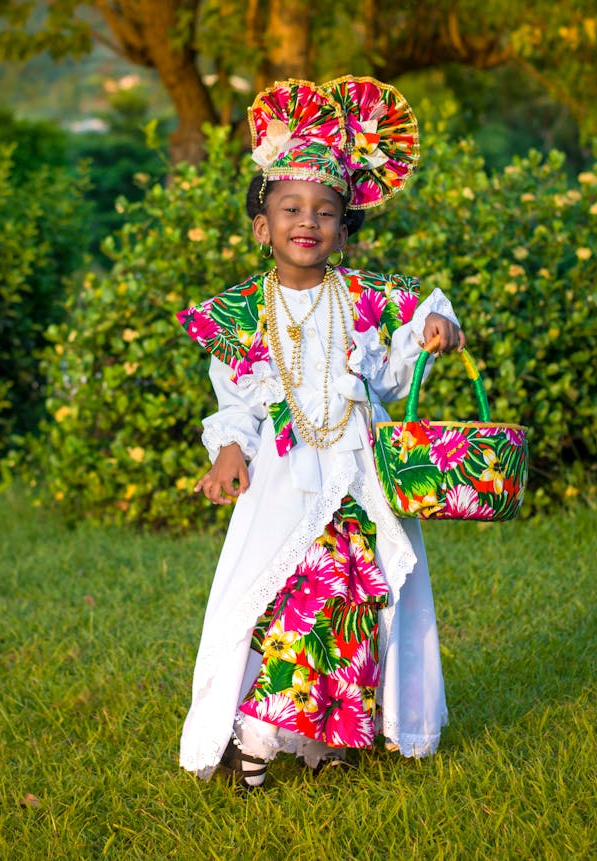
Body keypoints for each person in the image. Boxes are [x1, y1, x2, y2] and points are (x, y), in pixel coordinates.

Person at [177, 76, 464, 790]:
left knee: (347, 596)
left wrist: (438, 327)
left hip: (355, 483)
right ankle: (255, 734)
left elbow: (423, 311)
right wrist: (229, 457)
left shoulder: (365, 298)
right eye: (291, 208)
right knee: (281, 601)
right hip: (282, 485)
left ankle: (326, 728)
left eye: (326, 211)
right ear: (262, 224)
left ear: (344, 227)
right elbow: (235, 404)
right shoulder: (244, 312)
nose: (308, 221)